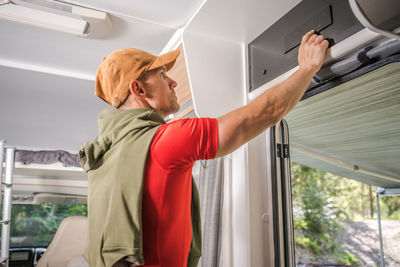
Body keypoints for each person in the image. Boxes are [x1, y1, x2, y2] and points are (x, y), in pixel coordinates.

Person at [79, 30, 329, 267]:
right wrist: (308, 67)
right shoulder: (165, 141)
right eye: (163, 75)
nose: (174, 82)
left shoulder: (104, 156)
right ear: (139, 89)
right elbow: (266, 112)